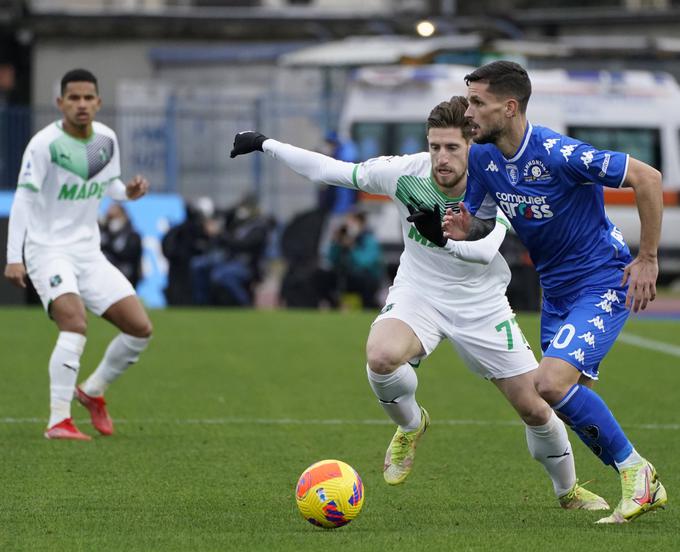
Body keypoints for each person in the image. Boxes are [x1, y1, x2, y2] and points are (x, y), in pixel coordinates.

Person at [229, 98, 610, 512]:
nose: (441, 159)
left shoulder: (496, 179)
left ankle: (567, 492)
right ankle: (411, 425)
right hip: (419, 292)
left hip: (481, 304)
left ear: (472, 146)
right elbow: (330, 170)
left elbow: (485, 250)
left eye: (452, 148)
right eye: (434, 147)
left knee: (536, 409)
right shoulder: (405, 173)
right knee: (380, 356)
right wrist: (266, 143)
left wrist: (446, 237)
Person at [443, 60, 667, 524]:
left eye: (477, 103)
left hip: (602, 280)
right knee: (562, 396)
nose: (468, 111)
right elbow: (484, 218)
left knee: (549, 383)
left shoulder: (558, 153)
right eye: (468, 100)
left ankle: (639, 476)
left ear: (509, 108)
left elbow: (648, 178)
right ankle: (623, 482)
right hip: (557, 291)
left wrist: (647, 257)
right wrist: (468, 227)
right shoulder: (483, 157)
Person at [4, 68, 153, 440]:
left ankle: (92, 390)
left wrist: (127, 193)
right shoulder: (44, 144)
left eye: (88, 98)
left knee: (139, 329)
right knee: (74, 323)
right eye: (74, 98)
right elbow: (23, 198)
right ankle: (58, 420)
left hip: (88, 253)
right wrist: (14, 256)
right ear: (60, 104)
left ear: (99, 103)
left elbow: (109, 185)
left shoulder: (106, 139)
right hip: (47, 250)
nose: (82, 104)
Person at [317, 209, 384, 309]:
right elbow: (331, 260)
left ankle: (368, 307)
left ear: (362, 224)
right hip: (346, 276)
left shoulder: (369, 240)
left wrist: (352, 247)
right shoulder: (342, 239)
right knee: (321, 276)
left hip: (365, 278)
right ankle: (334, 305)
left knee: (367, 281)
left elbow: (364, 263)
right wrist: (336, 243)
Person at [99, 202, 143, 288]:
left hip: (126, 276)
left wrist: (110, 243)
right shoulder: (103, 233)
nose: (112, 221)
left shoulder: (131, 235)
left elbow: (129, 255)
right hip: (104, 275)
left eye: (115, 217)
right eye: (109, 218)